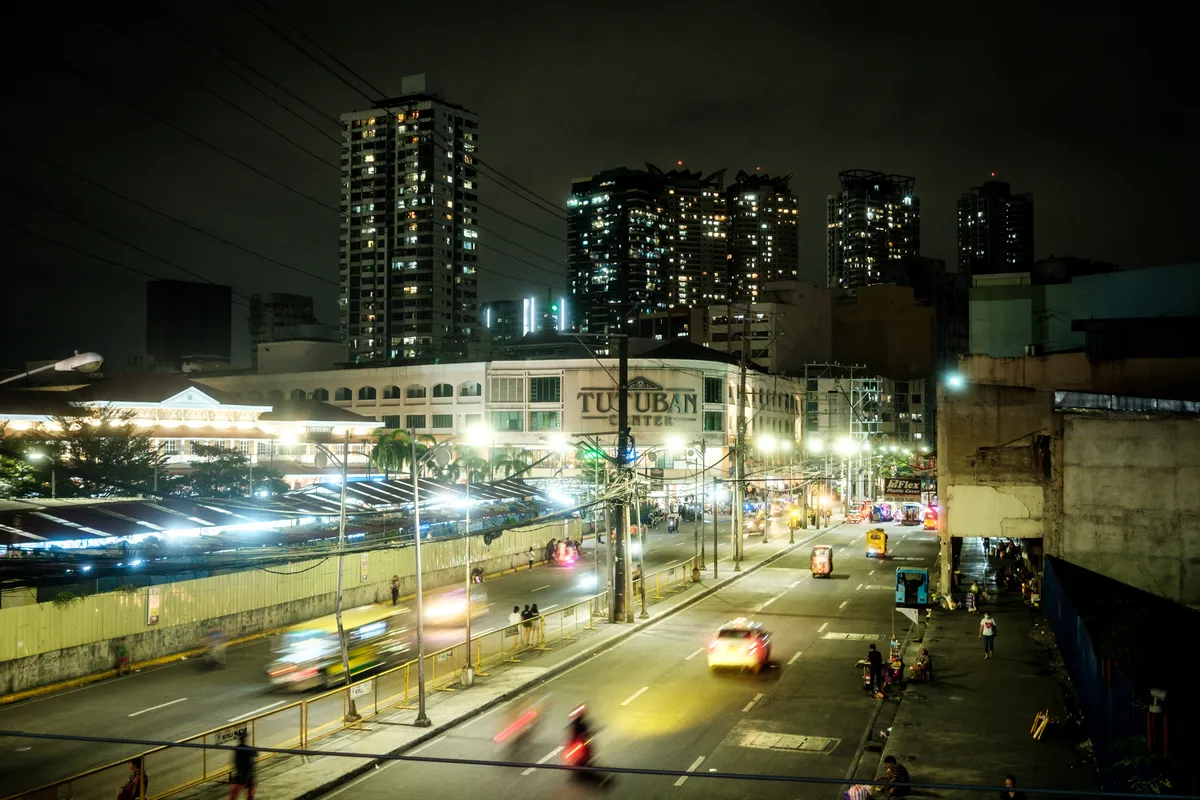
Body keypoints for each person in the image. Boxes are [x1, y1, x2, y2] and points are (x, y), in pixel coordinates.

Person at [228, 729, 256, 799]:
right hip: (247, 775)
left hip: (239, 774)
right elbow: (255, 755)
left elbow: (233, 762)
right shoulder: (249, 749)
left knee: (233, 793)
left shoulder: (237, 749)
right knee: (250, 793)